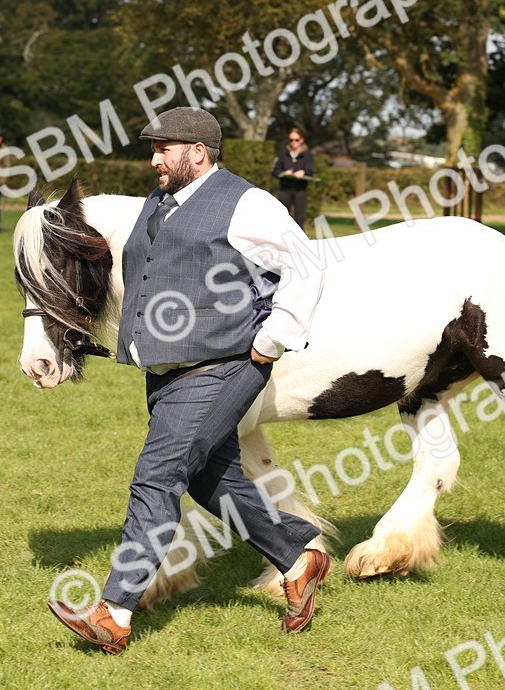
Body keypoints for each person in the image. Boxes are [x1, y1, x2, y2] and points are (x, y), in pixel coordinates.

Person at [47, 107, 330, 655]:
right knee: (208, 482)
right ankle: (298, 558)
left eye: (163, 149)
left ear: (197, 152)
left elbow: (307, 266)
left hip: (223, 367)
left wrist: (270, 341)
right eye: (152, 149)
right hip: (168, 373)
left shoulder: (247, 203)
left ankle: (115, 611)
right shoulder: (161, 203)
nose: (154, 159)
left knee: (156, 478)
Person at [271, 126, 315, 227]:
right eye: (291, 140)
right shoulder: (283, 153)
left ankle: (299, 241)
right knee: (282, 216)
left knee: (299, 217)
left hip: (300, 190)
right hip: (285, 189)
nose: (293, 142)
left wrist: (303, 172)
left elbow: (310, 170)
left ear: (301, 140)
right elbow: (275, 170)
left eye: (296, 139)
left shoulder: (307, 154)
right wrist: (284, 173)